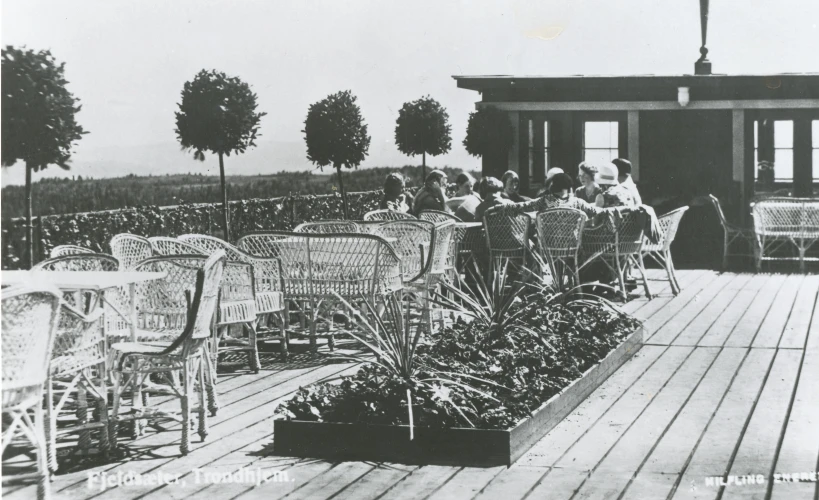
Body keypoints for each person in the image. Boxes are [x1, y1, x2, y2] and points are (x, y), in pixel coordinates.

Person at [497, 173, 601, 219]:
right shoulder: (577, 202)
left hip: (547, 247)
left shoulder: (544, 201)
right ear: (569, 188)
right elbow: (597, 211)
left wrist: (497, 207)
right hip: (572, 247)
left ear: (553, 186)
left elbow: (521, 206)